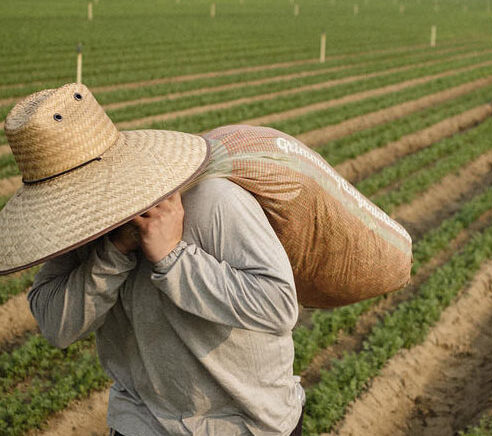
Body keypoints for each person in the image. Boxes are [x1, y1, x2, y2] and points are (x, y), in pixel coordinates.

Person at [3, 84, 305, 435]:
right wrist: (114, 253)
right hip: (143, 421)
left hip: (245, 423)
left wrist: (174, 259)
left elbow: (279, 305)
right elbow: (56, 326)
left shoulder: (213, 202)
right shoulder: (76, 233)